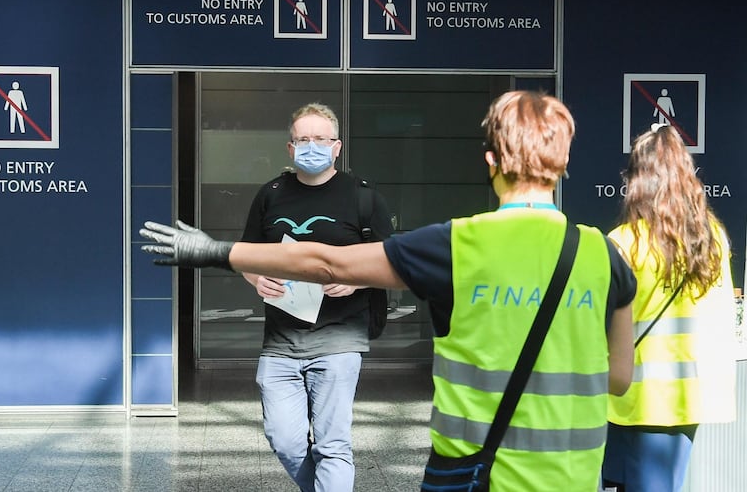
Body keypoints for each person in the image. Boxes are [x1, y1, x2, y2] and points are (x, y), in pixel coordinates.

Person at [141, 90, 637, 491]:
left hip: (476, 472)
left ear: (491, 159)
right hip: (575, 476)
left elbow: (327, 262)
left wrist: (213, 250)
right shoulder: (605, 255)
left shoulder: (457, 243)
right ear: (565, 159)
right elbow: (618, 378)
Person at [242, 102, 393, 492]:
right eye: (303, 139)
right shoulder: (270, 194)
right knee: (285, 440)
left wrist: (357, 280)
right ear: (290, 148)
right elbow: (246, 254)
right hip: (280, 340)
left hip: (340, 337)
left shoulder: (363, 198)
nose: (312, 146)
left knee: (333, 443)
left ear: (336, 146)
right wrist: (257, 279)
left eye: (320, 139)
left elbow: (392, 262)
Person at [601, 124, 738, 492]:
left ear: (638, 180)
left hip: (633, 398)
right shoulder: (711, 238)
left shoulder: (622, 242)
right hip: (688, 398)